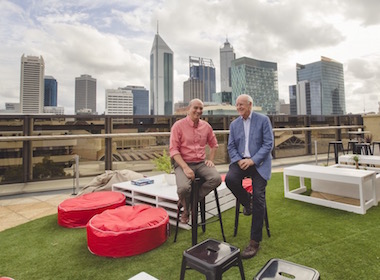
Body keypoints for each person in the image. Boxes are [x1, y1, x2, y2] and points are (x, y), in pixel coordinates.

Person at [225, 94, 273, 259]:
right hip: (241, 162)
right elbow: (231, 146)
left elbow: (268, 144)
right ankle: (248, 202)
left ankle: (254, 242)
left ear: (250, 105)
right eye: (237, 105)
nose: (239, 107)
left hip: (259, 164)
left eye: (241, 105)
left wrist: (252, 160)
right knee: (230, 179)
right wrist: (239, 161)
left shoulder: (263, 120)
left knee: (259, 196)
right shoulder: (234, 124)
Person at [169, 99, 222, 224]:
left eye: (201, 109)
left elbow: (214, 145)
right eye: (195, 108)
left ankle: (190, 202)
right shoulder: (178, 126)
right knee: (182, 189)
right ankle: (186, 209)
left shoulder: (206, 126)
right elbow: (173, 150)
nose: (198, 111)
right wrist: (185, 167)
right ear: (189, 109)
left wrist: (211, 160)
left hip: (200, 163)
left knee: (216, 179)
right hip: (183, 163)